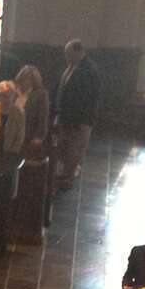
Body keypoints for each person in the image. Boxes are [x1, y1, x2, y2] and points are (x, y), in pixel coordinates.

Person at [51, 39, 100, 190]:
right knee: (64, 146)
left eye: (69, 53)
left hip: (79, 118)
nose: (66, 57)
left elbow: (89, 98)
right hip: (65, 115)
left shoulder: (89, 70)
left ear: (78, 52)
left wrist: (81, 120)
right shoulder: (71, 67)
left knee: (75, 148)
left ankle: (68, 177)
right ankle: (62, 174)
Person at [15, 65, 49, 156]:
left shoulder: (41, 95)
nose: (25, 81)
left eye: (29, 79)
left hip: (29, 136)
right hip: (12, 135)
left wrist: (39, 137)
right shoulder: (13, 92)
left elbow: (43, 117)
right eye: (23, 78)